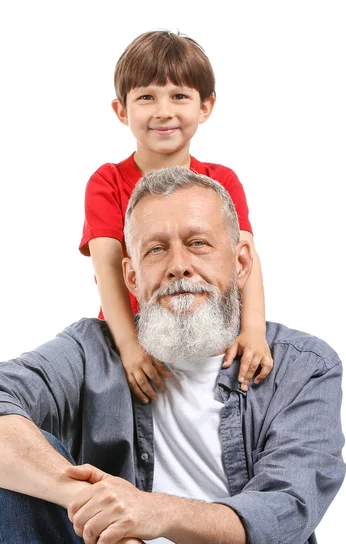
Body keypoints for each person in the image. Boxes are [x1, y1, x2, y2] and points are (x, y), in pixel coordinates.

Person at [0, 167, 346, 544]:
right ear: (131, 277)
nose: (179, 266)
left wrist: (150, 511)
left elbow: (281, 516)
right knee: (18, 458)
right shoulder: (90, 351)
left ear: (241, 263)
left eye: (198, 243)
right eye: (156, 250)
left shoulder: (304, 367)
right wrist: (99, 513)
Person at [79, 30, 273, 404]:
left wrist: (253, 328)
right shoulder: (107, 182)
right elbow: (107, 271)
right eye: (147, 97)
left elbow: (244, 256)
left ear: (205, 106)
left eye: (179, 96)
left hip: (206, 324)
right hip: (133, 335)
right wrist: (130, 347)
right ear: (122, 110)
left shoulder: (222, 181)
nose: (163, 111)